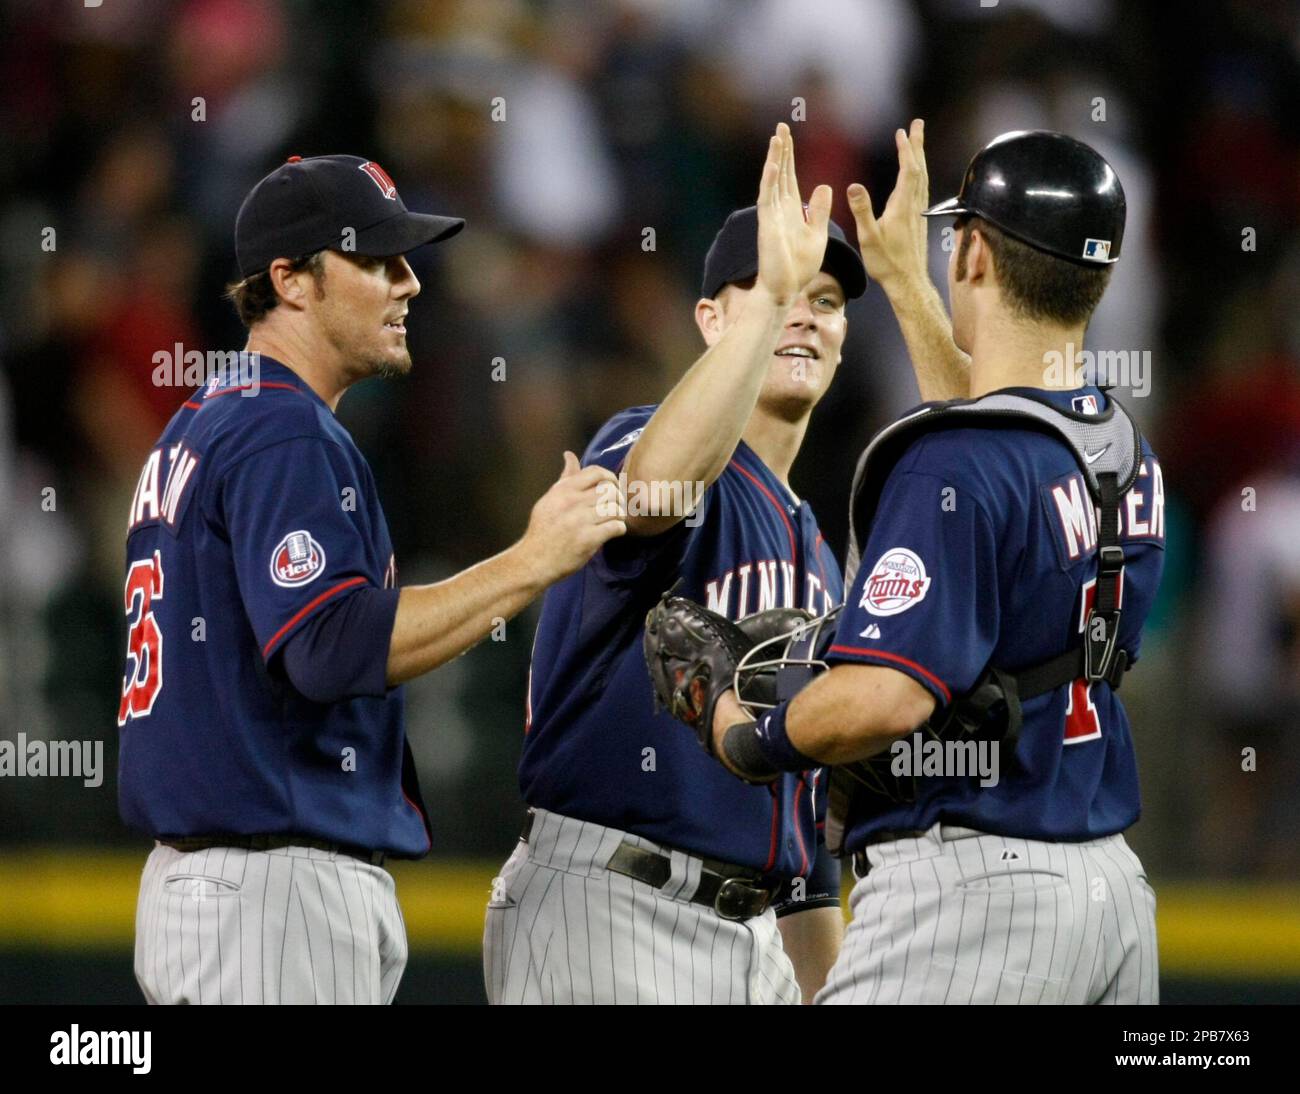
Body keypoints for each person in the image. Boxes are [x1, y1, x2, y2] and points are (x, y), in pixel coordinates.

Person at [116, 154, 627, 1005]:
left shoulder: (206, 421)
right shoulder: (283, 431)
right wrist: (533, 559)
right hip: (270, 897)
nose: (409, 285)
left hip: (228, 889)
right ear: (292, 281)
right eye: (377, 261)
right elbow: (328, 644)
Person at [696, 129, 1166, 1004]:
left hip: (972, 902)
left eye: (958, 243)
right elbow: (1001, 443)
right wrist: (912, 286)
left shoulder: (953, 465)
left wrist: (742, 729)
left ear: (976, 251)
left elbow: (885, 698)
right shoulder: (1120, 449)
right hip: (1109, 894)